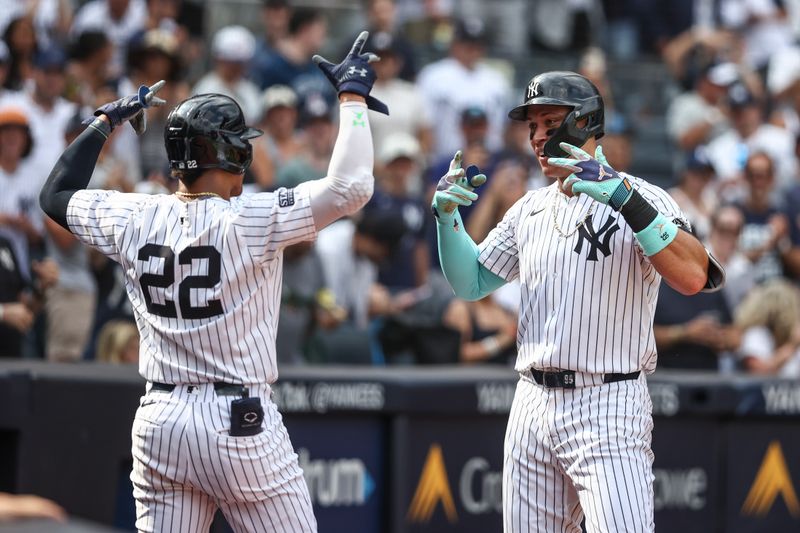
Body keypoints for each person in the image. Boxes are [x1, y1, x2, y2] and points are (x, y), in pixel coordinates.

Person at [39, 31, 386, 532]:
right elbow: (352, 186)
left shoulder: (133, 211)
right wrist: (353, 98)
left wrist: (104, 121)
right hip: (236, 420)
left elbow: (56, 195)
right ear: (230, 154)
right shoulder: (251, 217)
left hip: (159, 419)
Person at [432, 70, 725, 532]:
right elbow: (470, 283)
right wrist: (447, 220)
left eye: (549, 122)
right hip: (531, 401)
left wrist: (624, 199)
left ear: (584, 122)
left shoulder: (643, 195)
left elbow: (693, 275)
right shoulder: (529, 208)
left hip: (606, 401)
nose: (537, 136)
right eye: (531, 126)